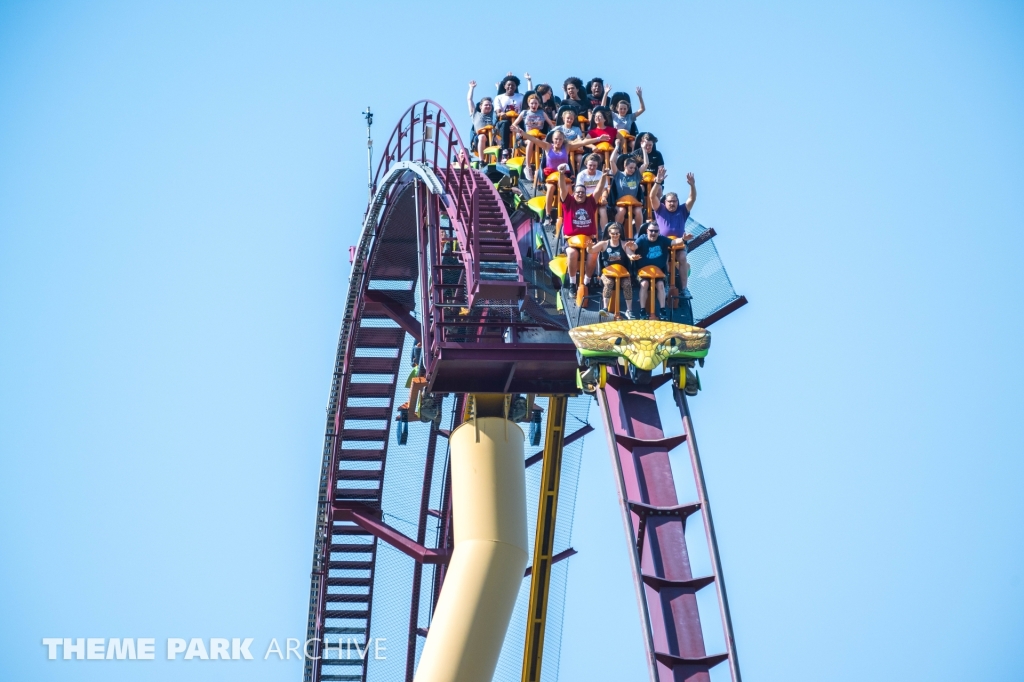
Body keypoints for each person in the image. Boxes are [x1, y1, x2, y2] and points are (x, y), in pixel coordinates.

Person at [511, 126, 610, 224]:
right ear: (553, 140)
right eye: (556, 139)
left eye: (560, 139)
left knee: (568, 188)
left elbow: (583, 142)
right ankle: (548, 215)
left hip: (563, 176)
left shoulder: (566, 147)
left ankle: (572, 212)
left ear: (563, 140)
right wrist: (521, 132)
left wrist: (598, 139)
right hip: (551, 176)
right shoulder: (547, 146)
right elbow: (534, 139)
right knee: (551, 188)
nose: (558, 141)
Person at [557, 164, 610, 294]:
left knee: (593, 254)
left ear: (585, 193)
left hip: (589, 240)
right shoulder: (568, 202)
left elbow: (598, 190)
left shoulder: (590, 201)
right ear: (574, 194)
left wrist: (603, 177)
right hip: (571, 240)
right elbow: (563, 189)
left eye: (582, 192)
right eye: (578, 192)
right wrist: (561, 175)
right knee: (572, 253)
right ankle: (572, 283)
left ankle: (587, 282)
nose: (580, 194)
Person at [626, 221, 687, 320]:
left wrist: (683, 239)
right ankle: (642, 310)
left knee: (660, 285)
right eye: (651, 231)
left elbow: (673, 242)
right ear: (647, 231)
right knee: (644, 284)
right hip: (643, 272)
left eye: (656, 231)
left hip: (659, 272)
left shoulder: (662, 239)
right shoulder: (642, 239)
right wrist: (631, 246)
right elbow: (634, 246)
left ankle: (662, 310)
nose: (653, 233)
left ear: (659, 232)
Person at [649, 167, 697, 293]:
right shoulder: (660, 209)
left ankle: (684, 288)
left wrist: (692, 185)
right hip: (663, 243)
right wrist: (658, 182)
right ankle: (664, 285)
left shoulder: (682, 210)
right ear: (665, 202)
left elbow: (691, 199)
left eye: (674, 201)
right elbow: (652, 196)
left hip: (679, 242)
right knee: (663, 258)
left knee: (682, 257)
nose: (672, 204)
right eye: (669, 202)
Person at [589, 222, 637, 317]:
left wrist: (633, 257)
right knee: (609, 283)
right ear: (609, 234)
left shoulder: (624, 244)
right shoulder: (604, 244)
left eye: (617, 233)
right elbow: (591, 250)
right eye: (613, 233)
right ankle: (605, 308)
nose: (615, 235)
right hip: (607, 273)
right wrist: (589, 247)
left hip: (622, 273)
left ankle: (629, 310)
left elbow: (630, 254)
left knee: (627, 284)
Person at [512, 94, 556, 180]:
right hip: (527, 137)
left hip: (539, 136)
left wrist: (554, 132)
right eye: (532, 103)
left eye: (535, 103)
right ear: (528, 104)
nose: (534, 105)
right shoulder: (524, 112)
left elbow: (551, 124)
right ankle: (527, 167)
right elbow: (514, 124)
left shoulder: (542, 113)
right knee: (531, 141)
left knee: (547, 144)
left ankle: (547, 166)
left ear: (538, 104)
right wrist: (519, 131)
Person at [607, 146, 649, 231]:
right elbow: (611, 161)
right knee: (622, 211)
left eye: (634, 168)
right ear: (625, 166)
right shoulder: (619, 174)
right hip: (620, 202)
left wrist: (644, 150)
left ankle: (638, 233)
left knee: (638, 211)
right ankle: (616, 230)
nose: (633, 170)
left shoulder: (636, 175)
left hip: (633, 202)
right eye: (630, 168)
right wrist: (616, 147)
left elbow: (646, 164)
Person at [467, 81, 496, 162]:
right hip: (479, 138)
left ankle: (502, 158)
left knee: (500, 138)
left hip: (493, 137)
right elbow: (469, 100)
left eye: (490, 105)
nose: (488, 106)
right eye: (486, 105)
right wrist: (471, 88)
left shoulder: (493, 116)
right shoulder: (475, 114)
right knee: (482, 136)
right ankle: (481, 160)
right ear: (480, 106)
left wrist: (499, 88)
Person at [493, 73, 524, 150]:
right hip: (503, 122)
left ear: (516, 87)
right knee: (505, 123)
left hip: (518, 121)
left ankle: (522, 147)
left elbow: (524, 110)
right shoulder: (499, 98)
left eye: (513, 85)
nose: (510, 87)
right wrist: (501, 114)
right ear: (504, 86)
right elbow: (498, 112)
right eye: (508, 85)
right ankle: (505, 149)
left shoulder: (520, 97)